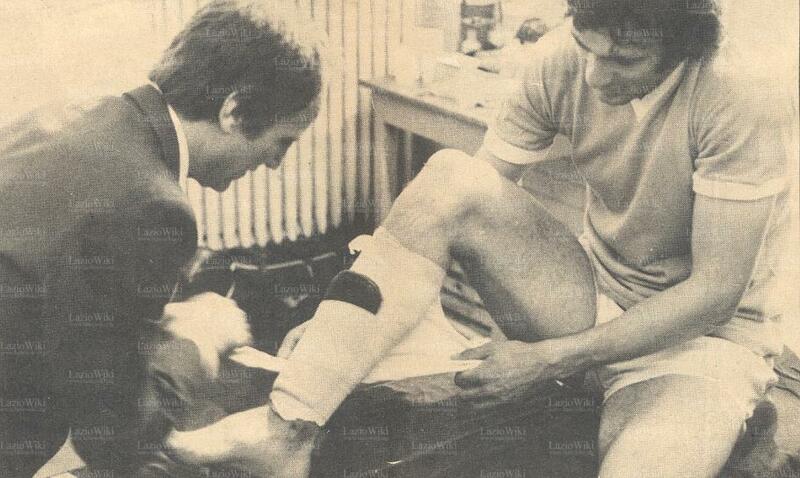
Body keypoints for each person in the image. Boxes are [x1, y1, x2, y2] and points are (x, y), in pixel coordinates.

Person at [167, 1, 793, 477]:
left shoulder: (740, 94)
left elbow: (713, 294)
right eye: (588, 48)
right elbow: (456, 206)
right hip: (589, 299)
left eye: (623, 62)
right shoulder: (564, 59)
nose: (596, 76)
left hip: (700, 345)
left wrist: (551, 360)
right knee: (450, 174)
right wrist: (345, 321)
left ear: (682, 47)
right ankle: (286, 432)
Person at [0, 1, 322, 475]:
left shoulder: (69, 115)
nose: (275, 163)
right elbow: (112, 435)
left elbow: (55, 297)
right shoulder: (154, 205)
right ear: (234, 110)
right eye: (282, 141)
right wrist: (199, 343)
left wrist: (148, 324)